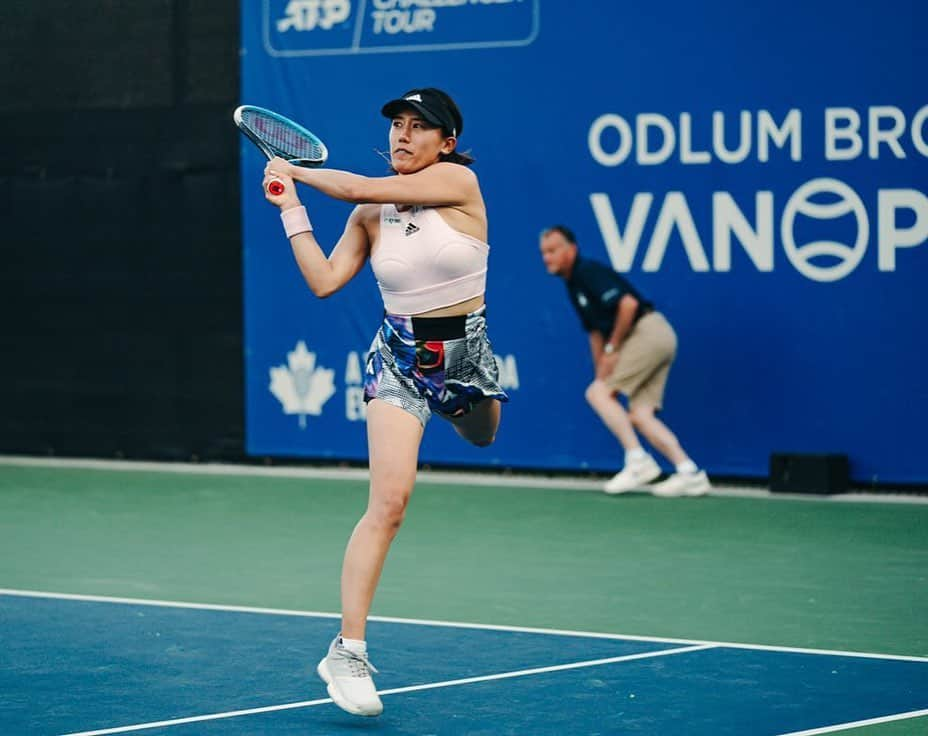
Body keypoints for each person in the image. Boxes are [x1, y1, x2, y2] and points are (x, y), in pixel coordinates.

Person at [261, 88, 507, 717]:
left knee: (483, 436)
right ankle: (346, 650)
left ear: (445, 143)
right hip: (397, 357)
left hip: (465, 356)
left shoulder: (457, 183)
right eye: (397, 124)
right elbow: (323, 281)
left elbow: (352, 187)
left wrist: (299, 170)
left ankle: (454, 408)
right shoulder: (371, 216)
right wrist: (291, 207)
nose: (402, 134)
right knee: (390, 502)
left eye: (418, 127)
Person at [539, 225, 709, 498]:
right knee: (640, 415)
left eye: (553, 250)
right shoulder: (573, 285)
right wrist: (602, 373)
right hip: (657, 336)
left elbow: (627, 305)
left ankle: (637, 460)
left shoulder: (587, 272)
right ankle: (689, 472)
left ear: (572, 249)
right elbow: (595, 332)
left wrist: (612, 349)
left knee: (596, 394)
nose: (547, 257)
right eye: (544, 253)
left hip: (647, 333)